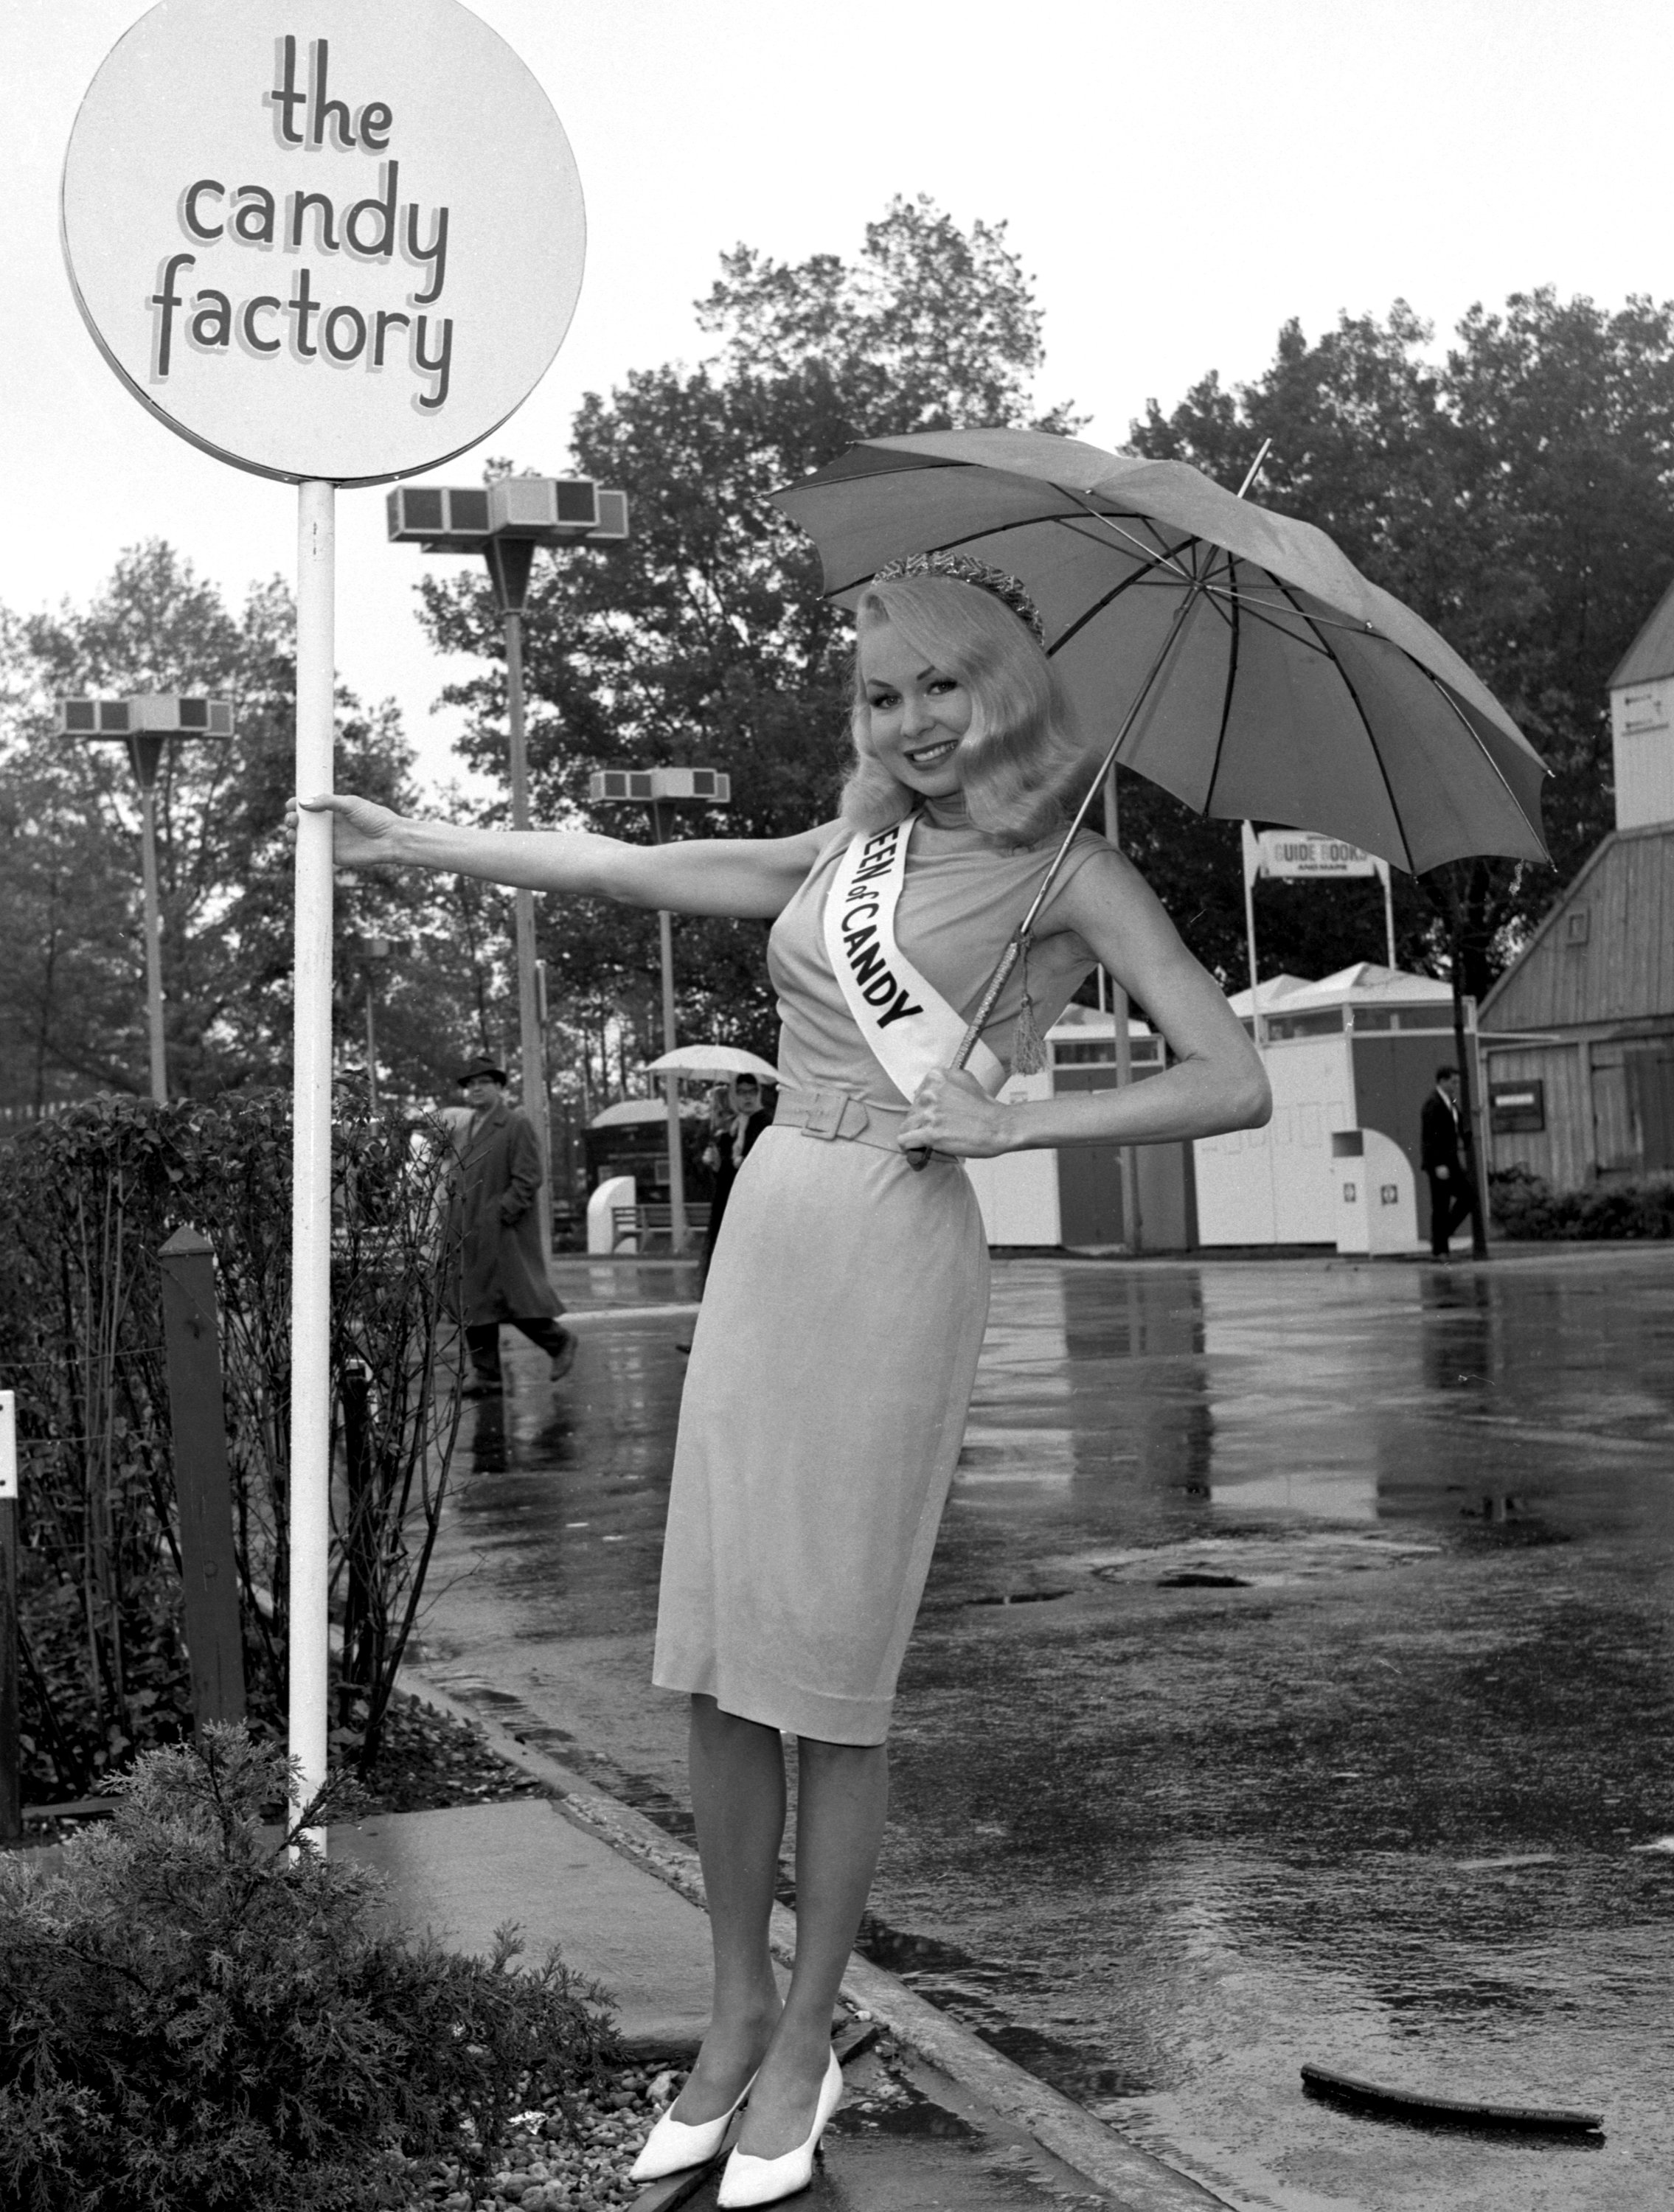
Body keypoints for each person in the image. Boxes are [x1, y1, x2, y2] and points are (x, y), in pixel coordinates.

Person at [306, 552, 1269, 2205]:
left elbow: (1234, 1077)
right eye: (879, 695)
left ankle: (812, 2035)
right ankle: (733, 2010)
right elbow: (641, 864)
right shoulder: (853, 847)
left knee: (826, 1658)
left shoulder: (1079, 878)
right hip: (770, 1231)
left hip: (900, 1246)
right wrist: (429, 841)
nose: (907, 722)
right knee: (721, 1643)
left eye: (938, 688)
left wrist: (1015, 1117)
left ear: (1005, 692)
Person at [451, 1057, 577, 1399]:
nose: (476, 1089)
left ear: (500, 1087)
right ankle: (487, 1374)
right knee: (474, 1303)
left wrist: (501, 1213)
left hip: (502, 1231)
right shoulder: (465, 1128)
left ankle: (560, 1341)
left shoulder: (515, 1125)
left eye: (484, 1082)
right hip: (469, 1229)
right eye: (471, 1084)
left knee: (512, 1299)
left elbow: (529, 1177)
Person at [699, 1071, 774, 1282]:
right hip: (728, 1201)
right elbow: (722, 1174)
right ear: (734, 1095)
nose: (747, 1097)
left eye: (752, 1092)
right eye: (741, 1092)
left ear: (759, 1093)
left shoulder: (766, 1124)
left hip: (753, 1202)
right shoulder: (730, 1126)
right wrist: (715, 1164)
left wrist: (748, 1163)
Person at [1421, 1064, 1476, 1260]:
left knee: (1469, 1196)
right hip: (1440, 1163)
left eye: (1457, 1082)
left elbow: (1457, 1126)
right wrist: (1437, 1165)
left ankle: (1441, 1238)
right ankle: (1441, 1250)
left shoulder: (1450, 1102)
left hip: (1451, 1161)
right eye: (1453, 1082)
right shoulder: (1433, 1104)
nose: (1456, 1085)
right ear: (1442, 1081)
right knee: (1441, 1205)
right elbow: (1430, 1137)